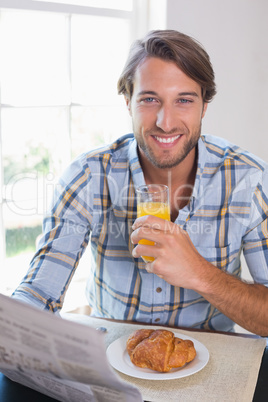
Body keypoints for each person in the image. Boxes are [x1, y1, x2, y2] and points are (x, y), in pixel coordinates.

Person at [12, 30, 268, 336]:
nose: (165, 122)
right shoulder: (88, 176)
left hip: (214, 363)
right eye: (149, 99)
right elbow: (38, 293)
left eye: (184, 100)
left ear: (205, 106)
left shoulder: (249, 177)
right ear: (127, 101)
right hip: (112, 357)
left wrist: (200, 273)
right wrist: (14, 324)